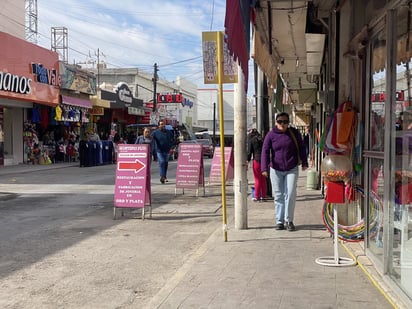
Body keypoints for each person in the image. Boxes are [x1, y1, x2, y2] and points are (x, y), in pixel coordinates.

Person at [261, 112, 308, 231]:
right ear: (276, 122)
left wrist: (304, 161)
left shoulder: (294, 133)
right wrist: (264, 168)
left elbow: (302, 147)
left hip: (291, 168)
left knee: (290, 193)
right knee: (278, 195)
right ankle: (279, 221)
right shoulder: (270, 135)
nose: (283, 124)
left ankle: (289, 220)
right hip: (275, 169)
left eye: (285, 122)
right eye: (280, 121)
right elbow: (265, 151)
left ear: (288, 122)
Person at [247, 129, 267, 202]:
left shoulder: (251, 140)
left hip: (257, 160)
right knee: (263, 179)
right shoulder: (262, 139)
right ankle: (263, 196)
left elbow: (249, 152)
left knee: (257, 179)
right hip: (264, 160)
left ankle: (256, 196)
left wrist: (247, 160)